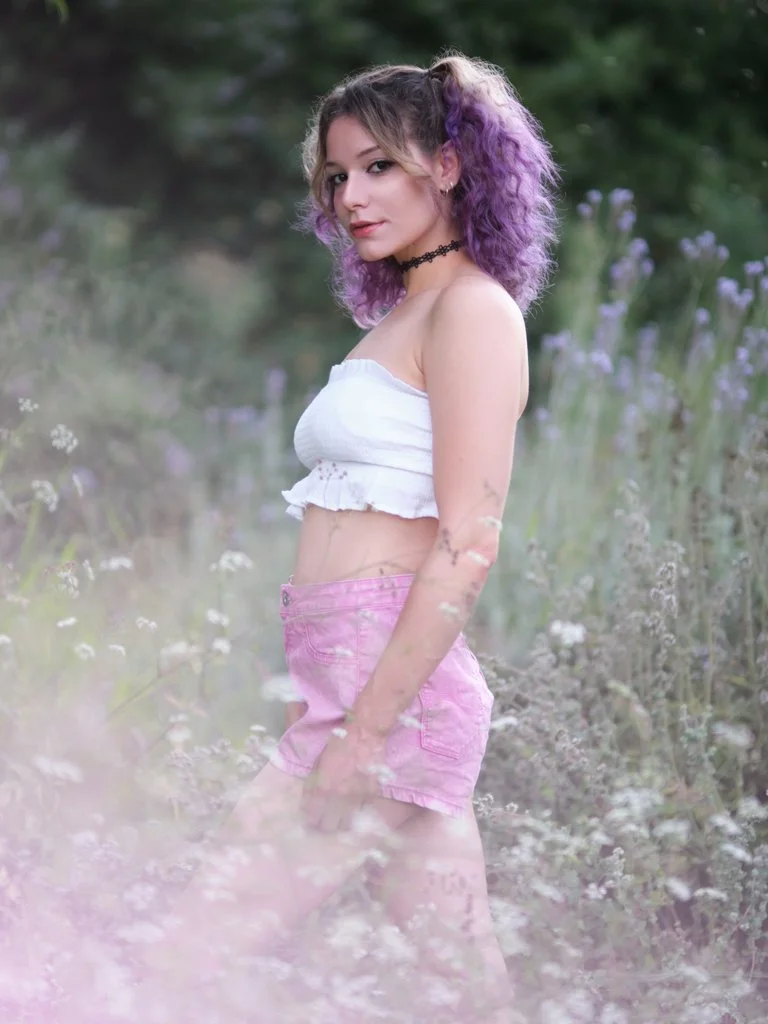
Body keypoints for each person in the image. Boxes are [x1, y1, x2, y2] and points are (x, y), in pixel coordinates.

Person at [141, 50, 559, 1024]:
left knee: (172, 967)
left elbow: (467, 541)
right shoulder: (406, 312)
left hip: (384, 704)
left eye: (378, 166)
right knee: (471, 996)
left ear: (448, 167)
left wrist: (362, 735)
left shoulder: (473, 311)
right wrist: (332, 715)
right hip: (353, 684)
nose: (351, 196)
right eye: (337, 176)